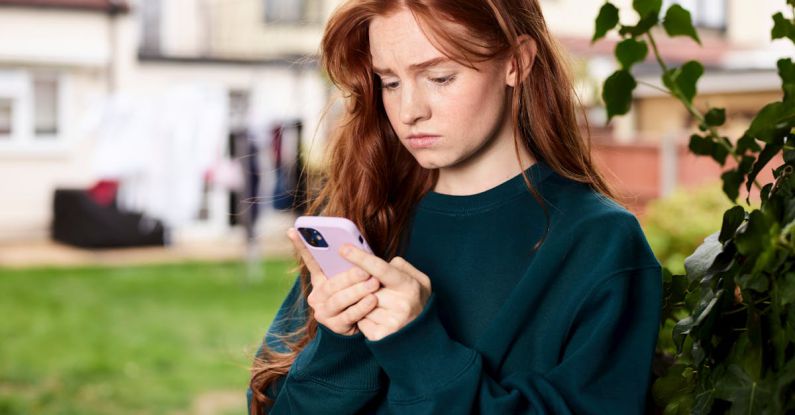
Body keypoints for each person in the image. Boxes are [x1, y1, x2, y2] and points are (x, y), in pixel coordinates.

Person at [248, 0, 662, 413]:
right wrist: (339, 345)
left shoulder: (601, 242)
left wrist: (417, 346)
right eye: (390, 82)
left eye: (440, 77)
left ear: (517, 62)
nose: (410, 111)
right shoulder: (369, 215)